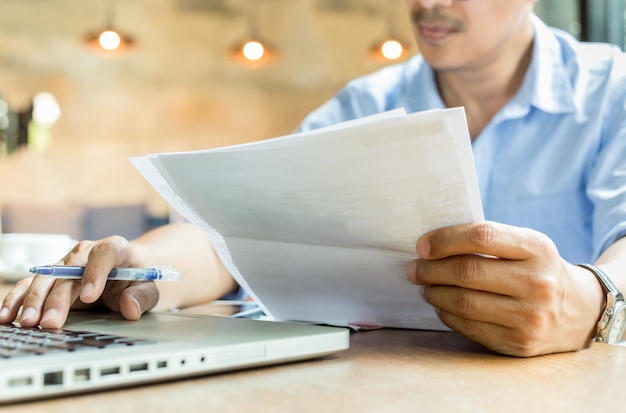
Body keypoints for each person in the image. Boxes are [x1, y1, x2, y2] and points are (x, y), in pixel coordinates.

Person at [2, 0, 626, 357]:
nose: (429, 5)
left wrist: (595, 300)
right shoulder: (365, 103)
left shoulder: (612, 93)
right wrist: (143, 270)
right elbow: (242, 231)